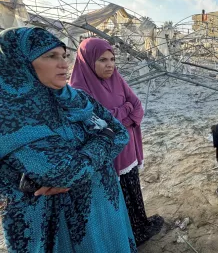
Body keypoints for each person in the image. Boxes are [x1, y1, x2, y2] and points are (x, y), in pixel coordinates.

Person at [0, 27, 137, 252]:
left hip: (104, 209)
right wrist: (104, 139)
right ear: (20, 62)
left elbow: (120, 133)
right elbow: (67, 171)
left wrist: (79, 162)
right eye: (50, 56)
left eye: (64, 55)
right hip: (56, 225)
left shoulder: (74, 97)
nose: (63, 63)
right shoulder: (12, 114)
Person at [70, 38, 164, 246]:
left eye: (112, 59)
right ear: (87, 61)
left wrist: (119, 118)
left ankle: (140, 227)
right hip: (108, 161)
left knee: (133, 190)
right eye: (103, 60)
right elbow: (98, 123)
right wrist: (125, 113)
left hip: (128, 150)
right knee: (116, 201)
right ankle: (125, 237)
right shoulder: (78, 91)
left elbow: (137, 106)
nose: (110, 64)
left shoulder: (117, 79)